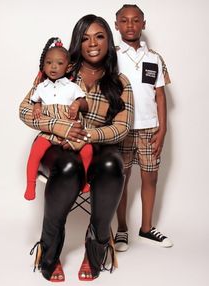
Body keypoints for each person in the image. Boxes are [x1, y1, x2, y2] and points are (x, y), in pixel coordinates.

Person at [19, 14, 134, 282]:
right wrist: (56, 127)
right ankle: (48, 251)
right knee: (68, 165)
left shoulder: (120, 82)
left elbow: (123, 126)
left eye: (99, 36)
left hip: (99, 144)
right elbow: (25, 109)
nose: (92, 43)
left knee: (110, 165)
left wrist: (89, 135)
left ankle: (96, 250)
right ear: (77, 43)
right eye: (85, 37)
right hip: (58, 143)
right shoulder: (59, 69)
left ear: (109, 40)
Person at [114, 4, 173, 252]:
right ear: (116, 25)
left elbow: (160, 95)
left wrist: (163, 129)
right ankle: (122, 230)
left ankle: (146, 228)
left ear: (143, 24)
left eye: (135, 20)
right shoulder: (111, 56)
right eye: (124, 21)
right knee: (121, 178)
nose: (130, 25)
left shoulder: (154, 58)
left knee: (150, 176)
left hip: (149, 129)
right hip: (122, 128)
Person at [24, 37, 92, 201]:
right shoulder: (41, 86)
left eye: (59, 63)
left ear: (68, 67)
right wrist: (38, 107)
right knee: (35, 152)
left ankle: (84, 180)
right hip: (50, 130)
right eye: (49, 62)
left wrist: (76, 104)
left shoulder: (72, 86)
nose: (53, 67)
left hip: (71, 128)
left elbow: (83, 102)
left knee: (87, 150)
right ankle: (30, 184)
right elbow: (34, 101)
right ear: (44, 65)